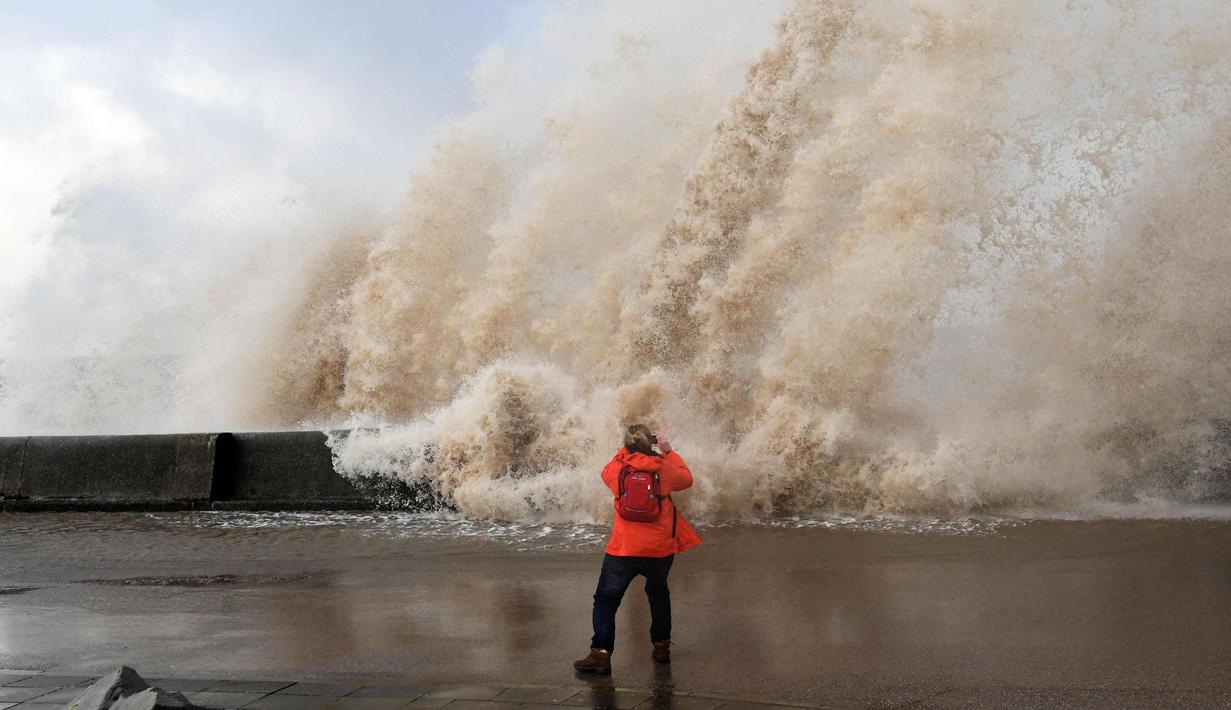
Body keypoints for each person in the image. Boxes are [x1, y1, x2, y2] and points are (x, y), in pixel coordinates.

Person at [573, 424, 702, 674]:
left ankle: (600, 654)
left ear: (627, 445)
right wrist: (668, 451)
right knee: (657, 592)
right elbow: (686, 479)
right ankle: (661, 646)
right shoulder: (663, 468)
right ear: (650, 443)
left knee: (606, 600)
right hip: (659, 549)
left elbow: (604, 472)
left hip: (624, 549)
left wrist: (626, 450)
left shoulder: (618, 468)